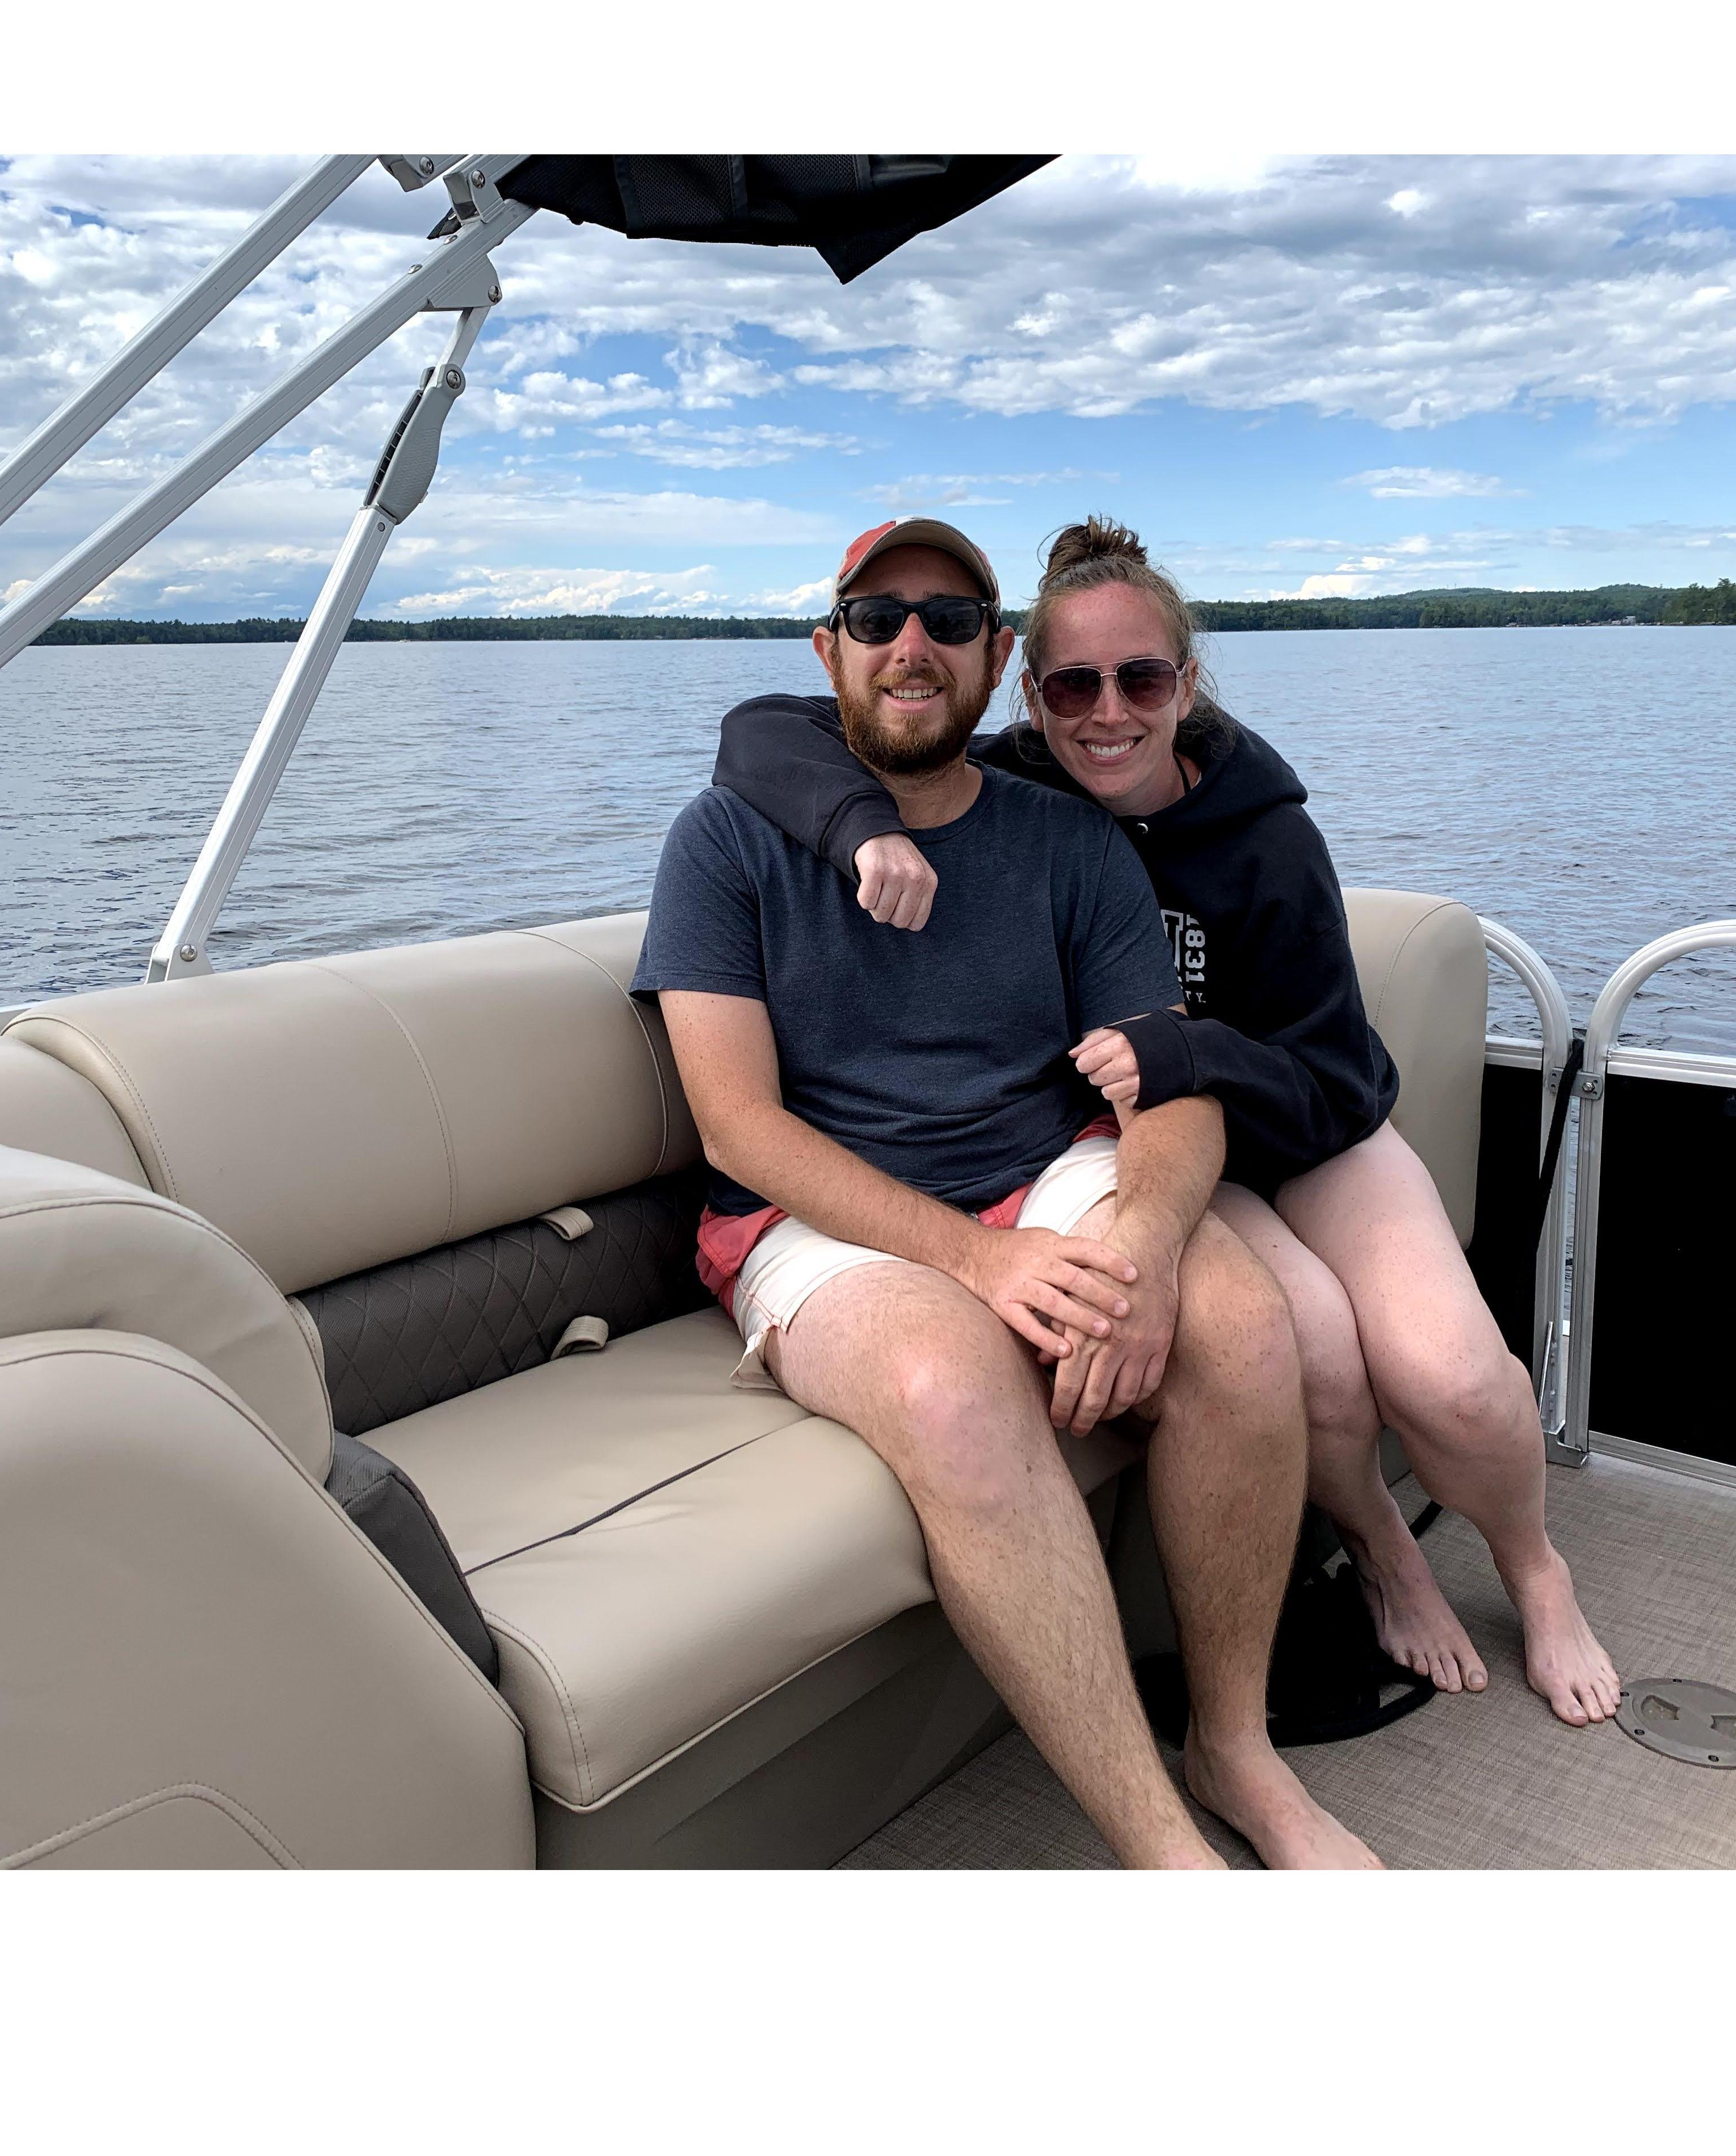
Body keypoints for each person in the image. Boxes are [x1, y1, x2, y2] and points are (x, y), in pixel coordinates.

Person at [714, 516, 1620, 1728]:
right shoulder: (1020, 790)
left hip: (1311, 1132)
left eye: (1140, 679)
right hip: (1180, 1152)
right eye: (1075, 684)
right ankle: (1389, 1556)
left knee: (1453, 1382)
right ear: (1025, 692)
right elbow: (759, 731)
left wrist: (1183, 1047)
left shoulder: (1270, 839)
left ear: (1185, 684)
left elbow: (1337, 1080)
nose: (1108, 713)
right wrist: (857, 825)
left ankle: (1534, 1571)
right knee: (1320, 1358)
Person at [636, 516, 1382, 1868]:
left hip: (1041, 1168)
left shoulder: (1065, 842)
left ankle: (1234, 1744)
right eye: (877, 619)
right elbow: (737, 1126)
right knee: (950, 1393)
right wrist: (980, 1270)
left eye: (950, 620)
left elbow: (1171, 1078)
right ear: (829, 651)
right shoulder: (724, 842)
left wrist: (1149, 1242)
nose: (911, 644)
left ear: (997, 667)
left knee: (1239, 1319)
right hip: (817, 1213)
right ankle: (1168, 1851)